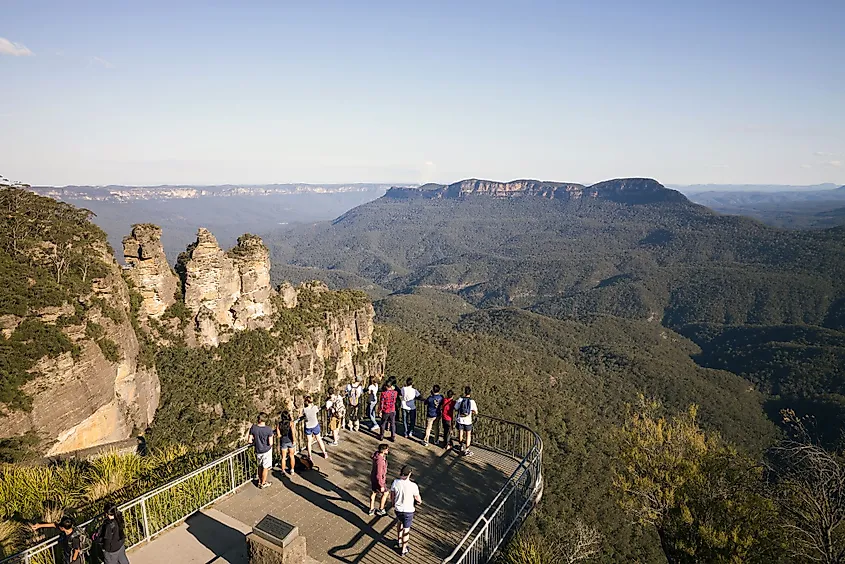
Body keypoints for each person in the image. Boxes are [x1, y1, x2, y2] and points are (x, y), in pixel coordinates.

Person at [390, 465, 422, 557]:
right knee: (406, 530)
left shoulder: (395, 482)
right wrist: (419, 501)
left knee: (399, 522)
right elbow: (418, 498)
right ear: (409, 474)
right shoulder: (413, 486)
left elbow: (392, 495)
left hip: (398, 509)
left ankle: (399, 540)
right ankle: (404, 549)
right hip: (408, 511)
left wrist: (393, 503)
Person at [248, 412, 274, 488]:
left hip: (258, 450)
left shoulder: (253, 428)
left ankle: (259, 481)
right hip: (266, 450)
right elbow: (271, 442)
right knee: (265, 467)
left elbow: (249, 440)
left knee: (260, 466)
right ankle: (263, 483)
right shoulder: (268, 429)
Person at [300, 395, 328, 459]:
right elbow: (317, 410)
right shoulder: (314, 407)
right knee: (319, 439)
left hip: (308, 426)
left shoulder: (305, 410)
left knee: (309, 441)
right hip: (315, 425)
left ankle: (310, 456)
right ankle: (324, 452)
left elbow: (302, 414)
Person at [454, 386, 478, 456]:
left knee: (460, 433)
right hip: (468, 421)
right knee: (468, 435)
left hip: (460, 420)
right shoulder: (472, 401)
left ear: (464, 392)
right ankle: (467, 450)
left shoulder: (460, 399)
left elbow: (455, 408)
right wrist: (472, 411)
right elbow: (476, 412)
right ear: (470, 392)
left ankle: (461, 446)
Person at [368, 443, 390, 516]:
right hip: (379, 480)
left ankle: (371, 509)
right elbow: (379, 474)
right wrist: (381, 485)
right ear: (383, 451)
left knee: (373, 492)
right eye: (387, 449)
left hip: (373, 478)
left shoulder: (376, 456)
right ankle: (381, 509)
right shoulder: (380, 461)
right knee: (385, 493)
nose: (388, 451)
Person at [276, 410, 296, 477]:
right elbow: (293, 433)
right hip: (290, 440)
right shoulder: (291, 423)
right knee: (291, 456)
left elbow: (278, 435)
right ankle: (292, 470)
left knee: (283, 457)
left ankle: (283, 470)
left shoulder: (279, 424)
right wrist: (294, 440)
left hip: (283, 441)